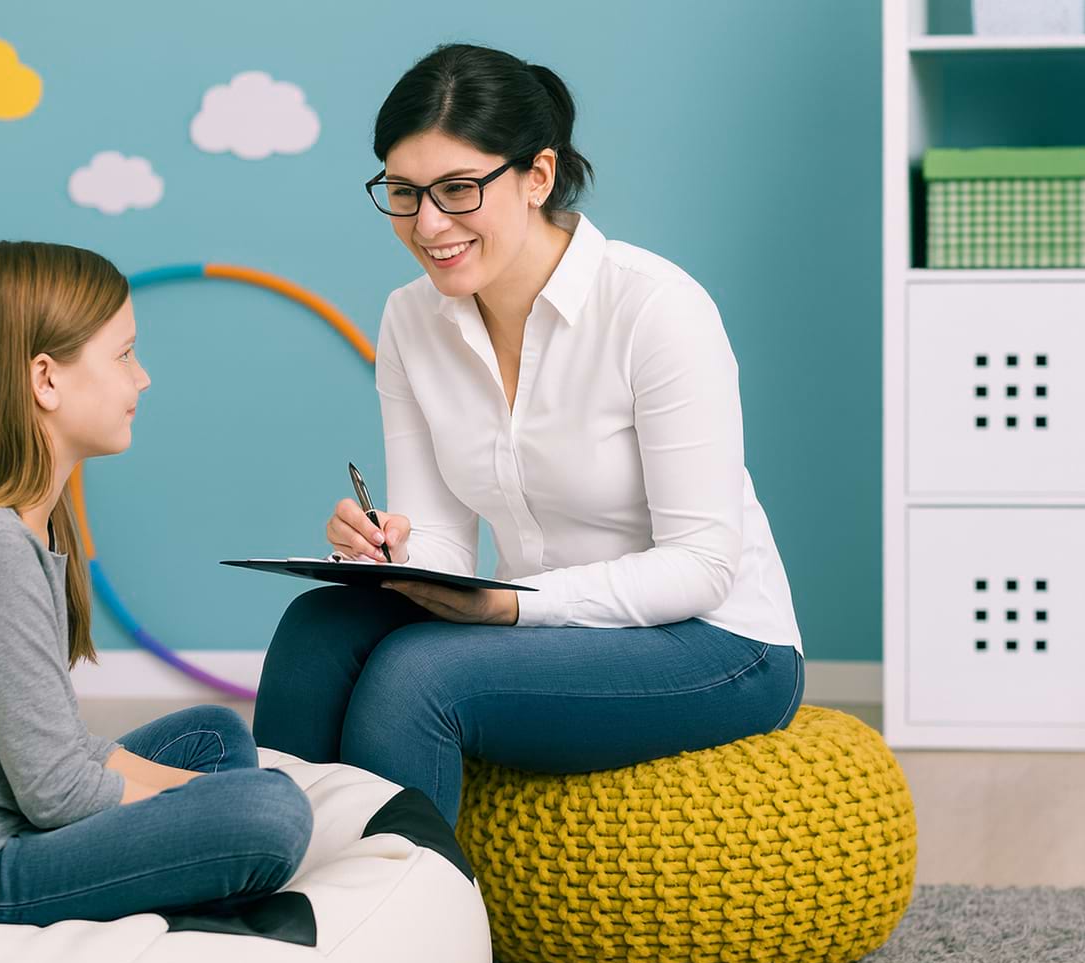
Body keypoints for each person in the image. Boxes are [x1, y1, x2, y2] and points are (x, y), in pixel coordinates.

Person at [253, 44, 804, 826]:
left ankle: (403, 932)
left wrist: (513, 610)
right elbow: (441, 545)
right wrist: (386, 553)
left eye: (458, 189)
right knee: (319, 629)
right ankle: (273, 882)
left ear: (537, 176)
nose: (427, 224)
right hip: (536, 625)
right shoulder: (411, 320)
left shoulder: (655, 310)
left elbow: (704, 567)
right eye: (403, 193)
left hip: (717, 645)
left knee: (418, 676)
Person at [0, 241, 312, 927]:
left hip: (2, 821)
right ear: (45, 379)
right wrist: (208, 804)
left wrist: (195, 795)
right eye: (123, 355)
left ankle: (193, 865)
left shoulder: (24, 523)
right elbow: (57, 792)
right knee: (272, 811)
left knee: (211, 736)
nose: (141, 378)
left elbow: (50, 753)